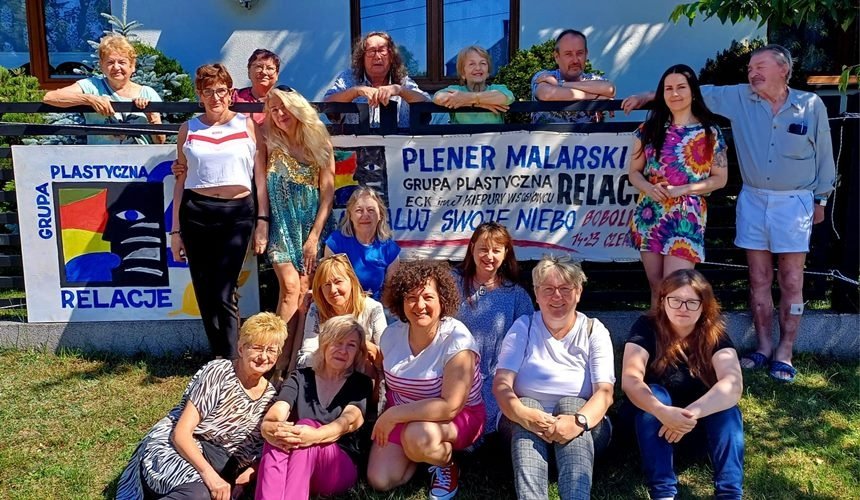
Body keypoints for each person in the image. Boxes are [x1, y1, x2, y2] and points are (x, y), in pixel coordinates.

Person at [623, 44, 836, 383]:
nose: (752, 73)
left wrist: (821, 199)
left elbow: (824, 152)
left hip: (794, 201)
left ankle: (785, 352)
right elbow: (691, 90)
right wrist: (646, 97)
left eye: (760, 66)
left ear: (783, 69)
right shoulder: (739, 97)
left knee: (792, 279)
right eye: (750, 67)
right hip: (752, 199)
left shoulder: (810, 105)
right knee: (758, 277)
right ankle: (762, 347)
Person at [116, 312, 288, 500]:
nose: (263, 356)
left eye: (271, 350)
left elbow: (264, 450)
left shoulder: (271, 398)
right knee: (199, 494)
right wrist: (210, 476)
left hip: (220, 464)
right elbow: (181, 433)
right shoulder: (219, 372)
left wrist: (250, 474)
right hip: (178, 447)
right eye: (257, 348)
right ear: (241, 348)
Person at [492, 255, 615, 500]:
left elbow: (605, 393)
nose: (556, 296)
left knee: (572, 404)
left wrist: (577, 422)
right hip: (523, 429)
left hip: (584, 429)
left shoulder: (594, 330)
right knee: (526, 403)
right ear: (536, 295)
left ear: (578, 292)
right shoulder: (523, 327)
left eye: (565, 288)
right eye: (548, 289)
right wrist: (523, 414)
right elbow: (501, 384)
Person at [170, 63, 269, 359]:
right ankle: (220, 359)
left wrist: (262, 220)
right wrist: (175, 231)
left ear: (230, 93)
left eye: (221, 90)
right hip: (196, 212)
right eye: (208, 91)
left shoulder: (247, 125)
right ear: (200, 95)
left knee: (225, 290)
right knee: (204, 290)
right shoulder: (188, 129)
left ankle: (232, 360)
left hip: (237, 213)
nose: (216, 97)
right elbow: (180, 179)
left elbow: (260, 178)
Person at [620, 269, 744, 500]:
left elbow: (733, 384)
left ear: (704, 306)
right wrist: (662, 411)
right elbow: (630, 379)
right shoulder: (646, 326)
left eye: (691, 302)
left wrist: (689, 415)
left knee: (728, 410)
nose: (682, 308)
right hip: (650, 429)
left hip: (694, 429)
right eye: (675, 300)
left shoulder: (714, 333)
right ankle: (663, 493)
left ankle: (729, 494)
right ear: (662, 301)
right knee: (656, 392)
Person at [367, 261, 485, 500]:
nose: (419, 305)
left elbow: (450, 406)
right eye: (411, 298)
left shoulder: (457, 340)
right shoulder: (391, 335)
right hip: (404, 412)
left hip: (456, 416)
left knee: (417, 437)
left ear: (442, 300)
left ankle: (446, 464)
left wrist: (393, 415)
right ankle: (420, 455)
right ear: (401, 302)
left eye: (428, 297)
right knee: (380, 479)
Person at [627, 64, 729, 310]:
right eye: (668, 88)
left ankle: (678, 334)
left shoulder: (710, 132)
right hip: (650, 213)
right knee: (657, 287)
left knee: (677, 288)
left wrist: (683, 190)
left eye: (681, 87)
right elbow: (633, 173)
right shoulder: (648, 130)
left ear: (693, 92)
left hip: (686, 216)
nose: (674, 93)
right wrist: (648, 188)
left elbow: (720, 178)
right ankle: (657, 333)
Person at [255, 316, 373, 500]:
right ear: (324, 343)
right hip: (298, 462)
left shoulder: (361, 383)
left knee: (305, 427)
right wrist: (269, 426)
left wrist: (314, 435)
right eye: (337, 342)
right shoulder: (300, 377)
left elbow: (350, 421)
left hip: (337, 467)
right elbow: (279, 409)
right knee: (277, 434)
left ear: (358, 352)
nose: (343, 351)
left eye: (351, 345)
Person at [263, 87, 336, 356]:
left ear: (297, 108)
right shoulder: (268, 140)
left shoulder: (320, 143)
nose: (279, 114)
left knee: (305, 293)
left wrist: (314, 237)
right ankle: (274, 360)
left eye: (284, 108)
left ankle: (296, 363)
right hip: (280, 228)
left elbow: (327, 196)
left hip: (311, 229)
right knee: (290, 288)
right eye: (274, 109)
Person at [453, 222, 533, 436]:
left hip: (496, 379)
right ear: (472, 248)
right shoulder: (452, 284)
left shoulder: (516, 295)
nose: (489, 256)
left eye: (496, 250)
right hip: (454, 373)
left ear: (506, 253)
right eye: (483, 249)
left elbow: (528, 342)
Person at [42, 33, 165, 144]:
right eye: (110, 62)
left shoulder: (147, 93)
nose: (116, 67)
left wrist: (151, 116)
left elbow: (160, 141)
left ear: (132, 66)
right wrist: (89, 99)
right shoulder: (92, 86)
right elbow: (49, 97)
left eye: (122, 62)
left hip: (140, 160)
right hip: (102, 160)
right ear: (102, 66)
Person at [296, 253, 387, 371]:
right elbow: (304, 358)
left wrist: (360, 344)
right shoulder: (316, 310)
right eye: (326, 285)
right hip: (327, 374)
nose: (333, 290)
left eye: (338, 282)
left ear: (352, 281)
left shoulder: (373, 308)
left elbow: (385, 355)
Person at [324, 31, 430, 128]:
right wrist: (355, 91)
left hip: (397, 142)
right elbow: (327, 103)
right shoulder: (349, 77)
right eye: (371, 51)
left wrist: (399, 90)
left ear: (391, 57)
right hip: (356, 142)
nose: (377, 57)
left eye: (382, 51)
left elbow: (426, 101)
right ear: (362, 57)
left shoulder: (402, 81)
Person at [324, 187, 401, 302]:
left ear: (380, 215)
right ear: (350, 215)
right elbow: (330, 284)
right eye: (359, 210)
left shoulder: (389, 249)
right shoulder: (335, 243)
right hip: (342, 305)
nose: (365, 215)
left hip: (376, 306)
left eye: (371, 210)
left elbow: (389, 293)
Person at [530, 29, 616, 124]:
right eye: (568, 54)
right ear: (557, 57)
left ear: (586, 54)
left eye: (579, 53)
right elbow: (546, 94)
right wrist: (596, 97)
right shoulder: (545, 76)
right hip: (546, 134)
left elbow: (610, 89)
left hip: (587, 134)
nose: (575, 60)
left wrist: (559, 84)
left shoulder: (595, 79)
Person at [433, 45, 514, 124]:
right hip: (462, 133)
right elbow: (438, 98)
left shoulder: (497, 89)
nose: (478, 68)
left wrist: (466, 98)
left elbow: (507, 97)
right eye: (472, 64)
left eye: (483, 63)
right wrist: (479, 104)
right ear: (463, 73)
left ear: (488, 72)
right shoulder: (457, 90)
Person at [233, 48, 281, 125]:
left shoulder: (284, 100)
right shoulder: (233, 97)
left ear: (277, 75)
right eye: (259, 67)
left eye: (270, 68)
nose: (264, 72)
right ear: (249, 72)